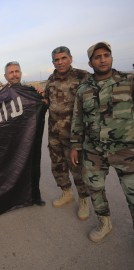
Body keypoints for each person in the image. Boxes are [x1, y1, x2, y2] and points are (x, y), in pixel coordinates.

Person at [70, 41, 134, 242]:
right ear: (90, 63)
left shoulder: (129, 81)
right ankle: (104, 223)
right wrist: (74, 145)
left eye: (106, 55)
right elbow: (78, 119)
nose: (103, 59)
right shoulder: (83, 90)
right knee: (95, 189)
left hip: (126, 150)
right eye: (97, 57)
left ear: (111, 58)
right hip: (94, 151)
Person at [45, 46, 90, 220]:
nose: (60, 62)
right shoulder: (51, 79)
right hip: (54, 132)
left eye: (63, 58)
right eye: (56, 60)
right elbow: (48, 100)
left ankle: (84, 200)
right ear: (53, 62)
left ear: (70, 58)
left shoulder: (82, 76)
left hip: (75, 135)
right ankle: (66, 192)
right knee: (58, 165)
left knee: (78, 169)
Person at [4, 61, 46, 206]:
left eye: (17, 71)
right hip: (10, 139)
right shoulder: (0, 95)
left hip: (28, 138)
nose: (14, 75)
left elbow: (43, 105)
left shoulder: (30, 92)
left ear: (21, 74)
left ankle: (34, 196)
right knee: (11, 167)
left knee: (33, 165)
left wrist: (41, 95)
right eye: (11, 72)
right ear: (5, 76)